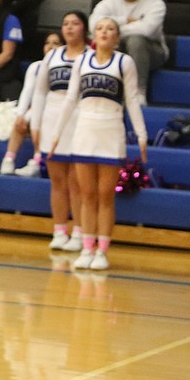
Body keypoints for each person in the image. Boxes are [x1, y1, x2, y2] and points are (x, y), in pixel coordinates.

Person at [51, 18, 147, 272]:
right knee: (86, 195)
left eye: (111, 29)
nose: (105, 32)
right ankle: (86, 247)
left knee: (105, 196)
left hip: (111, 131)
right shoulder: (82, 60)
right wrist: (56, 134)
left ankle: (102, 251)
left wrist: (142, 135)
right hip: (85, 131)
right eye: (101, 28)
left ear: (117, 37)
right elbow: (71, 98)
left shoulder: (124, 62)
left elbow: (133, 101)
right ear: (95, 34)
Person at [30, 13, 91, 254]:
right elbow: (40, 92)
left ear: (84, 28)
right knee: (57, 181)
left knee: (77, 183)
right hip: (52, 118)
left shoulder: (90, 57)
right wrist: (36, 124)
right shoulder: (52, 56)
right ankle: (58, 230)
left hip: (79, 120)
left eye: (75, 24)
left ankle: (78, 231)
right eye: (65, 24)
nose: (69, 28)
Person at [90, 0, 167, 104]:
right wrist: (124, 20)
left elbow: (146, 30)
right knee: (103, 39)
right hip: (118, 47)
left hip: (152, 51)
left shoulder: (155, 3)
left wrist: (112, 30)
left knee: (135, 40)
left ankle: (137, 93)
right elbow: (93, 25)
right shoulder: (111, 1)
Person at [0, 30, 63, 176]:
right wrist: (20, 114)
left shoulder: (66, 67)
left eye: (55, 43)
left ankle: (37, 160)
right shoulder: (35, 67)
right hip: (37, 108)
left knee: (41, 119)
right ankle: (9, 159)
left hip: (56, 111)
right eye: (47, 43)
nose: (50, 46)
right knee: (22, 120)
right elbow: (28, 92)